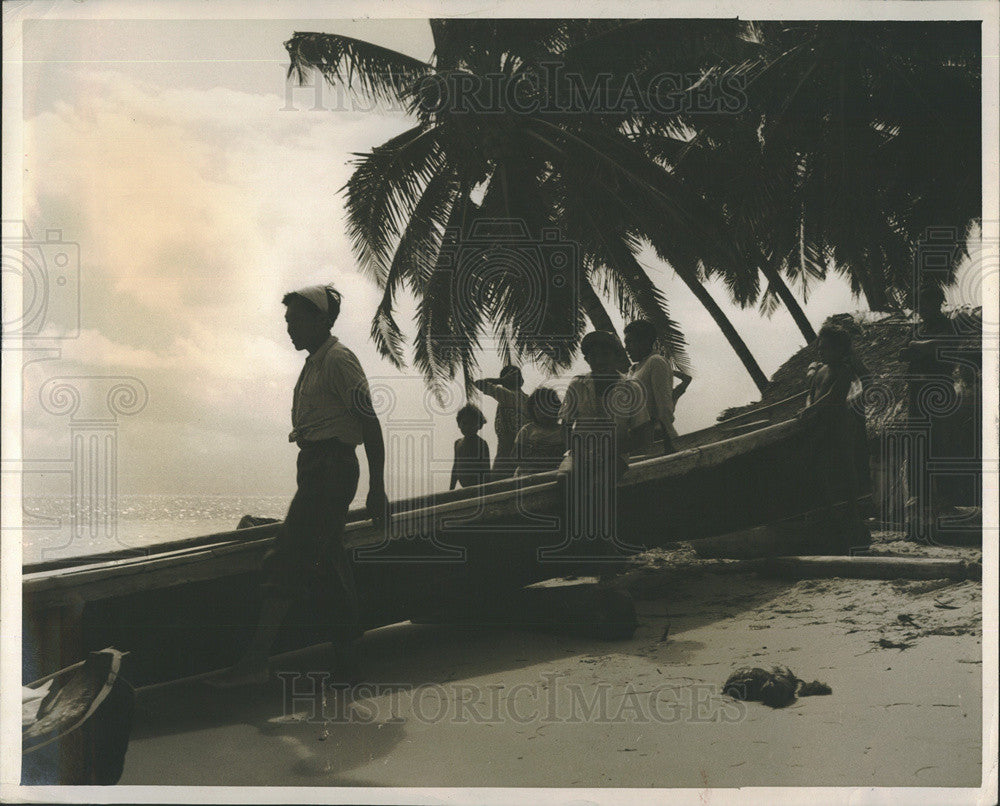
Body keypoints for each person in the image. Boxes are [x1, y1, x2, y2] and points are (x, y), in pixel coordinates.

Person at [210, 284, 387, 688]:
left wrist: (377, 489)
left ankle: (256, 660)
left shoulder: (339, 360)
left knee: (286, 557)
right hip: (315, 466)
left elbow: (370, 422)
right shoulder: (314, 363)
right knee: (328, 560)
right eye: (287, 321)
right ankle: (348, 665)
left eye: (295, 320)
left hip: (331, 467)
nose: (289, 328)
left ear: (321, 320)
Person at [798, 323, 869, 553]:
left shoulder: (844, 370)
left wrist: (812, 409)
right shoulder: (818, 371)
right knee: (822, 476)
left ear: (840, 350)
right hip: (819, 429)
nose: (821, 352)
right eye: (820, 348)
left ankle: (853, 526)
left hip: (838, 429)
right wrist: (809, 408)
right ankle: (829, 527)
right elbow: (811, 396)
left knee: (845, 476)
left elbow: (834, 396)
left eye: (827, 348)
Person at [623, 319, 691, 454]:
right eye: (626, 343)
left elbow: (664, 406)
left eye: (630, 342)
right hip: (638, 439)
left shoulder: (656, 362)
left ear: (646, 341)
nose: (627, 348)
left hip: (656, 438)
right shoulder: (633, 370)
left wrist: (666, 439)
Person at [473, 365, 530, 480]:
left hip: (505, 456)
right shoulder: (528, 400)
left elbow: (479, 383)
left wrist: (500, 380)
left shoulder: (507, 396)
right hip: (523, 455)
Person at [513, 387, 567, 477]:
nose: (541, 413)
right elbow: (515, 456)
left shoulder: (563, 431)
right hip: (528, 476)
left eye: (545, 409)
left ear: (555, 409)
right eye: (537, 410)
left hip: (553, 475)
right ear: (532, 410)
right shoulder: (528, 430)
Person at [449, 404, 491, 490]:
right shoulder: (457, 443)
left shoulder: (481, 444)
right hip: (465, 490)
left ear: (479, 425)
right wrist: (451, 490)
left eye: (472, 423)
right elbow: (455, 468)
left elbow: (486, 471)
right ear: (459, 424)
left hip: (478, 490)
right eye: (464, 423)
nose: (468, 427)